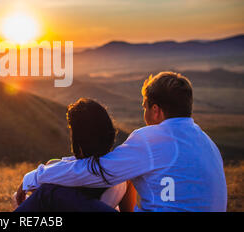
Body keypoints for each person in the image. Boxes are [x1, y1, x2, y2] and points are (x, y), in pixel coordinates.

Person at [15, 72, 227, 212]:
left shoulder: (152, 139)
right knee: (127, 177)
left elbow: (95, 171)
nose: (144, 114)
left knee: (50, 193)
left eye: (144, 107)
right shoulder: (206, 142)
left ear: (156, 110)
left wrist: (34, 176)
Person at [14, 98, 137, 212]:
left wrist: (29, 180)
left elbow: (71, 169)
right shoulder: (122, 173)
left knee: (45, 189)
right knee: (52, 164)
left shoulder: (79, 174)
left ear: (79, 139)